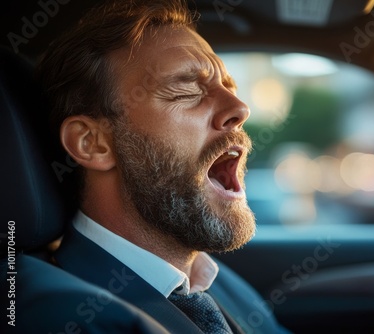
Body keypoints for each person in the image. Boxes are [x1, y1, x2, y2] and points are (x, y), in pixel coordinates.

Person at [35, 0, 289, 333]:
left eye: (229, 87)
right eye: (187, 88)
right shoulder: (72, 319)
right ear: (92, 143)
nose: (240, 108)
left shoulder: (214, 280)